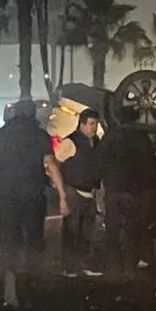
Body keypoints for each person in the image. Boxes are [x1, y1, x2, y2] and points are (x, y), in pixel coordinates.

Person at [0, 99, 67, 309]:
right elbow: (52, 165)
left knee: (9, 242)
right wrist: (63, 196)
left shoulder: (3, 134)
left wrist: (0, 161)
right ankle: (31, 289)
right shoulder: (40, 135)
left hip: (7, 198)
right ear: (33, 114)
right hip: (33, 197)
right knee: (34, 241)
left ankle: (9, 293)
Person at [95, 106, 156, 281]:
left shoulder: (110, 137)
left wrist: (103, 182)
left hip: (114, 191)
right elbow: (150, 165)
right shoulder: (142, 138)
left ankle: (113, 269)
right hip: (135, 193)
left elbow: (99, 161)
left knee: (112, 231)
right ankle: (130, 269)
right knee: (133, 231)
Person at [55, 108, 101, 275]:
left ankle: (86, 264)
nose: (94, 127)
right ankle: (69, 266)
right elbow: (55, 164)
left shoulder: (96, 142)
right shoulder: (70, 143)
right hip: (73, 191)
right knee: (71, 231)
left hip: (90, 193)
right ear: (82, 124)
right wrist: (61, 191)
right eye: (91, 124)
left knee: (88, 231)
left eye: (96, 124)